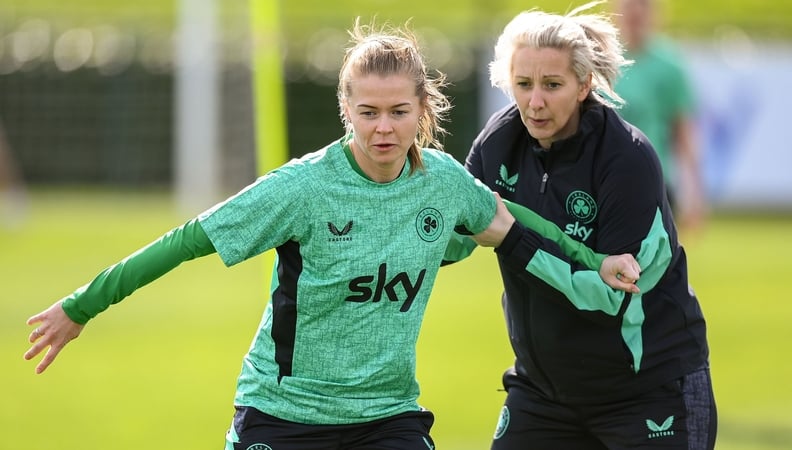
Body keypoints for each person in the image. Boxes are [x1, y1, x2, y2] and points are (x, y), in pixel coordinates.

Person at [24, 19, 639, 450]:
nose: (383, 129)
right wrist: (82, 306)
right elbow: (187, 240)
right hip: (282, 416)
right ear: (346, 109)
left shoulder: (445, 184)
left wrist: (594, 259)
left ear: (424, 111)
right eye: (367, 113)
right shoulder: (302, 189)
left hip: (387, 418)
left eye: (399, 112)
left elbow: (510, 222)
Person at [464, 2, 717, 449]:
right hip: (543, 393)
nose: (534, 101)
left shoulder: (628, 160)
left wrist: (512, 238)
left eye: (552, 85)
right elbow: (453, 233)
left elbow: (609, 294)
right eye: (522, 85)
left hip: (645, 388)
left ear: (584, 86)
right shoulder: (498, 142)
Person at [612, 0, 706, 233]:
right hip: (604, 179)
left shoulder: (669, 65)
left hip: (654, 180)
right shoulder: (601, 60)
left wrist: (695, 193)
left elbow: (683, 131)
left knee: (654, 265)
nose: (634, 10)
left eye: (642, 3)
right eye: (628, 3)